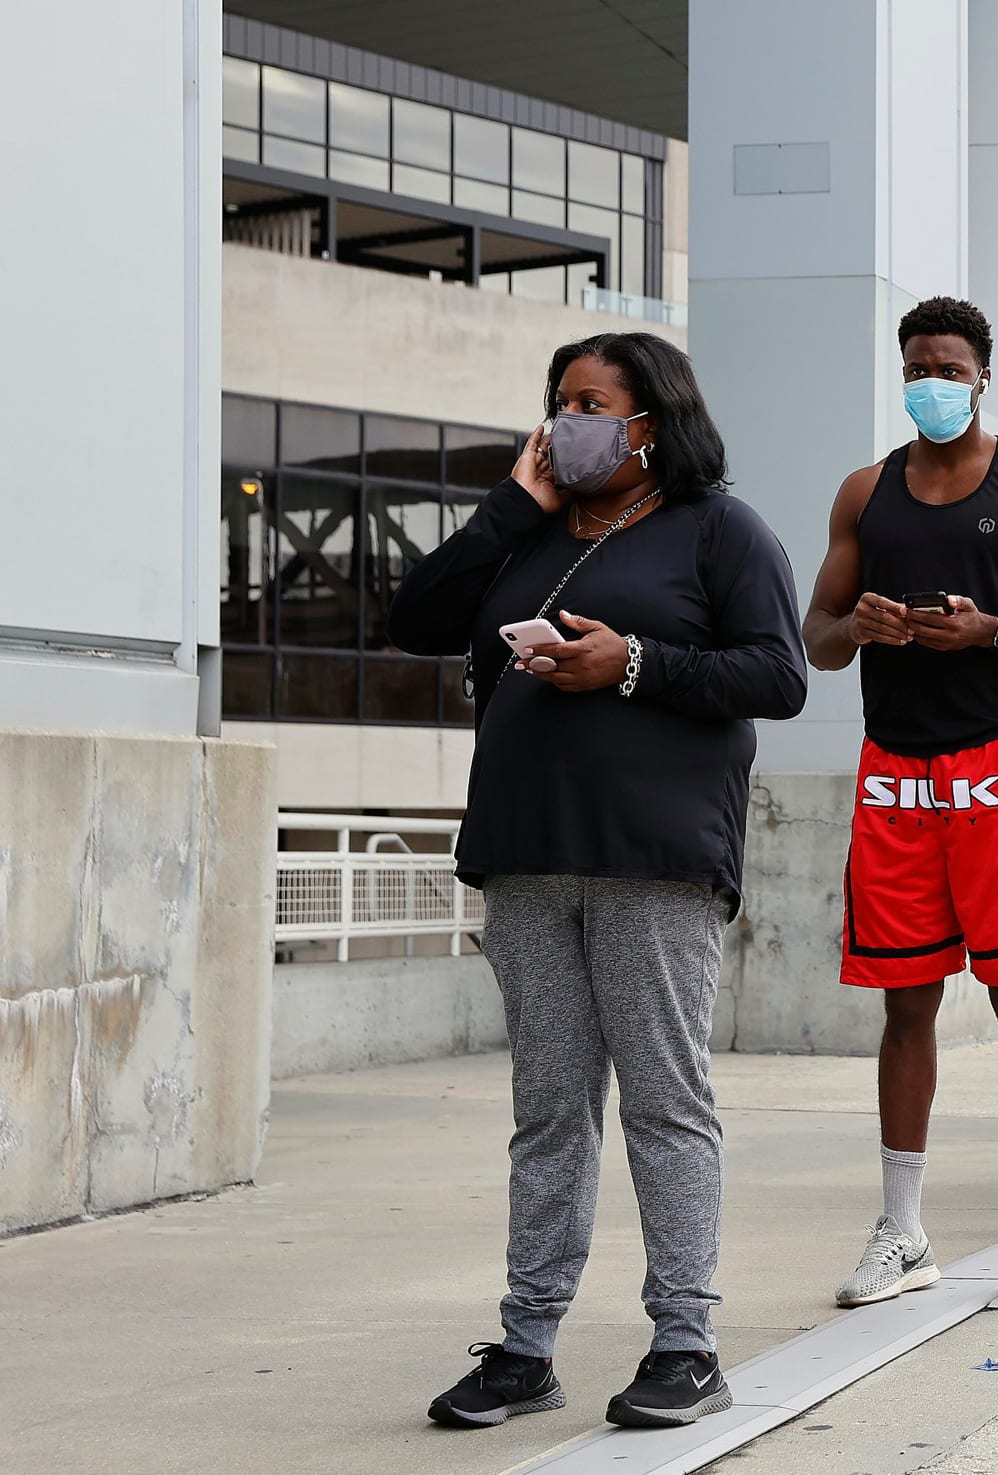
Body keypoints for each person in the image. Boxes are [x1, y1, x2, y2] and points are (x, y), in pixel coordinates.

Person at [393, 333, 807, 1431]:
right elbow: (414, 618)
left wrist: (626, 663)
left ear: (652, 422)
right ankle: (527, 1343)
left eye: (591, 403)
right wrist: (510, 504)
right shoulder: (525, 535)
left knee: (666, 1105)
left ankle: (685, 1340)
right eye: (557, 402)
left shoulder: (719, 529)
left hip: (653, 859)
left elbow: (778, 673)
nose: (567, 420)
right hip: (526, 851)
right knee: (549, 1110)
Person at [802, 296, 998, 1312]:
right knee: (906, 1002)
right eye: (915, 365)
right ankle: (902, 1230)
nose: (929, 380)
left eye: (947, 364)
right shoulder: (866, 489)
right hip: (895, 766)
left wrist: (991, 632)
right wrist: (863, 622)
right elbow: (815, 635)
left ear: (982, 373)